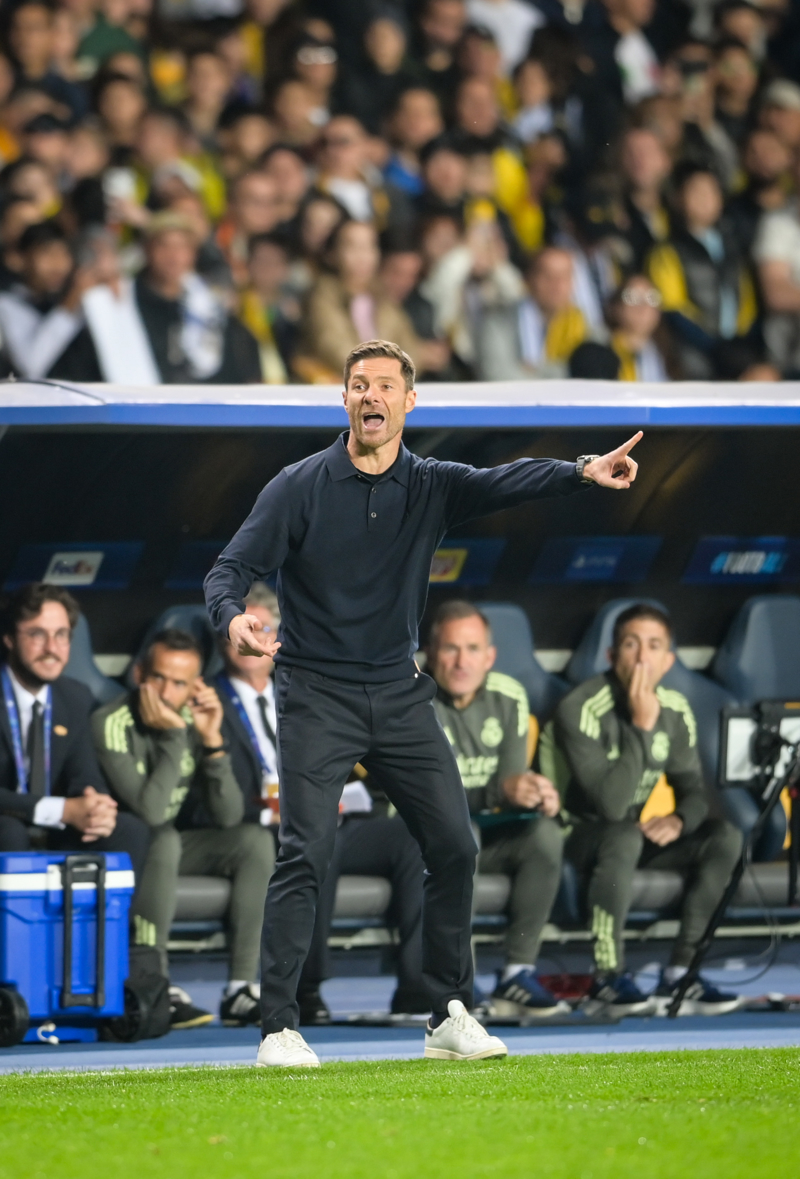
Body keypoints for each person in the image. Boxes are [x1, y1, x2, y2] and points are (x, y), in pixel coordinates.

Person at [204, 335, 643, 1067]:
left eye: (385, 385)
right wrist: (233, 620)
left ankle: (447, 1014)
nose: (371, 395)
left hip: (399, 695)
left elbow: (506, 481)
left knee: (455, 846)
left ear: (410, 401)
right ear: (345, 399)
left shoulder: (432, 483)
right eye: (359, 385)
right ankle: (278, 1026)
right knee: (306, 851)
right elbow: (228, 569)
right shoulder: (297, 485)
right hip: (316, 694)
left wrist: (580, 471)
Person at [539, 604, 743, 1018]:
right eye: (631, 645)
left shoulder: (675, 709)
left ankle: (682, 973)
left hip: (627, 837)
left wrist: (679, 820)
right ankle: (608, 976)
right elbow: (611, 806)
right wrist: (642, 727)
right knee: (622, 835)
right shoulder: (581, 706)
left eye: (654, 646)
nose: (642, 658)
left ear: (668, 660)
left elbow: (694, 793)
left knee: (724, 838)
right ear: (612, 655)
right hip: (570, 837)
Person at [92, 628, 275, 1030]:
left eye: (179, 683)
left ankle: (241, 987)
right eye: (158, 677)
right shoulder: (111, 721)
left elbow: (228, 816)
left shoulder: (196, 719)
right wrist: (176, 736)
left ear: (195, 686)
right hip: (119, 852)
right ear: (139, 674)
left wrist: (212, 741)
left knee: (254, 841)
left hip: (169, 847)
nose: (165, 692)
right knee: (163, 838)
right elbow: (151, 813)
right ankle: (156, 983)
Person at [427, 601, 568, 1019]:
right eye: (450, 649)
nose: (461, 662)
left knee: (544, 834)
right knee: (461, 831)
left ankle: (517, 974)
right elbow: (429, 797)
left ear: (489, 657)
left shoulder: (509, 696)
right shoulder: (414, 697)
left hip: (484, 835)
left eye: (472, 649)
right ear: (431, 653)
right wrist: (500, 790)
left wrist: (535, 793)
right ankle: (460, 981)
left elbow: (509, 787)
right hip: (421, 840)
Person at [0, 583, 149, 880]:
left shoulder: (74, 697)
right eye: (37, 634)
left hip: (51, 826)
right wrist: (62, 810)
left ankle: (110, 914)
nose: (51, 648)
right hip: (7, 822)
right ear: (9, 639)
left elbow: (86, 776)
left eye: (61, 635)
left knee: (129, 830)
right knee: (10, 833)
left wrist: (97, 808)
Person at [646, 163, 756, 379]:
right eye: (696, 191)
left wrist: (742, 342)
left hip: (735, 351)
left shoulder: (734, 248)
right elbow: (672, 308)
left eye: (711, 191)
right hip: (692, 354)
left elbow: (747, 301)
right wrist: (713, 346)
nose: (705, 198)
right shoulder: (667, 251)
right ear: (678, 198)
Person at [134, 212, 261, 384]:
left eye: (182, 247)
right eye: (164, 246)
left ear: (193, 254)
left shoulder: (210, 303)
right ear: (147, 250)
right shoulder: (125, 301)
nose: (173, 256)